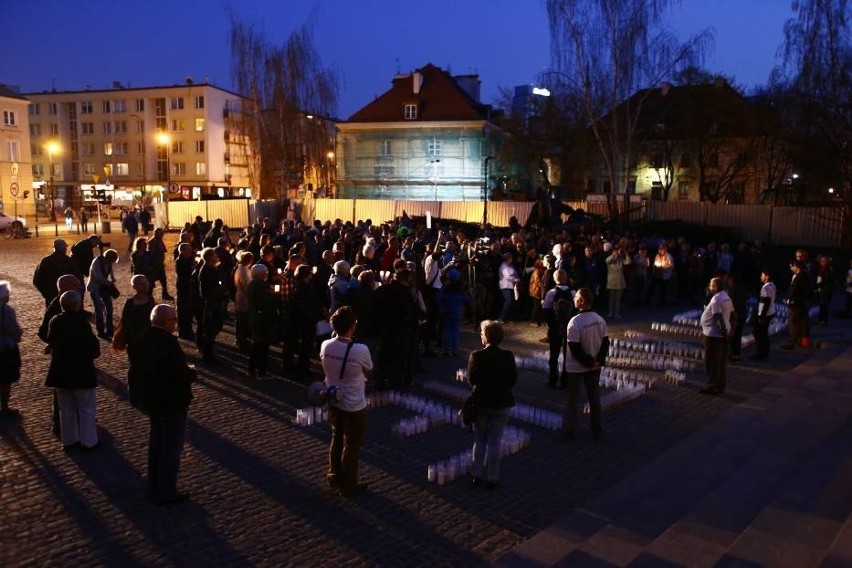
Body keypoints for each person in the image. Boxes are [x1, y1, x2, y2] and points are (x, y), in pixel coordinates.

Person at [131, 304, 196, 505]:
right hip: (171, 401)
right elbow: (177, 374)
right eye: (173, 320)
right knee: (171, 448)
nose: (175, 323)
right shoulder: (167, 343)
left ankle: (154, 486)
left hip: (152, 400)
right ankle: (167, 491)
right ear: (164, 322)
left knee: (156, 445)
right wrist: (191, 374)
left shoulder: (142, 339)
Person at [321, 306, 373, 498]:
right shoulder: (361, 350)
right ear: (352, 327)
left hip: (334, 401)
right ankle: (348, 484)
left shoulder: (325, 345)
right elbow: (369, 370)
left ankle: (334, 475)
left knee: (336, 438)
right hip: (354, 405)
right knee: (351, 446)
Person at [45, 290, 101, 449]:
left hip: (61, 370)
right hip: (81, 370)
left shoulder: (55, 320)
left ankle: (69, 440)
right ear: (77, 305)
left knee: (65, 407)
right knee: (86, 407)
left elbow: (50, 339)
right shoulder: (81, 323)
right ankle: (89, 441)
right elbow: (93, 348)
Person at [466, 319, 517, 489]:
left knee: (479, 439)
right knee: (495, 441)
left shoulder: (476, 356)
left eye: (481, 333)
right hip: (501, 403)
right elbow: (513, 380)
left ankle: (476, 474)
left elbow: (471, 379)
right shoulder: (508, 356)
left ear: (485, 338)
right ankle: (493, 477)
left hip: (481, 403)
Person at [38, 274, 85, 435]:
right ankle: (59, 423)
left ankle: (74, 420)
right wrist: (55, 344)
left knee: (72, 390)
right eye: (76, 285)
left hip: (73, 357)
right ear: (65, 287)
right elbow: (43, 331)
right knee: (63, 392)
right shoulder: (58, 305)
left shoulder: (72, 303)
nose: (80, 287)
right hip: (65, 358)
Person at [562, 287, 609, 442]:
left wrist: (588, 362)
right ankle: (598, 430)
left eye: (576, 297)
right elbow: (605, 343)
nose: (574, 299)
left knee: (574, 401)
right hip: (594, 366)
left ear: (581, 301)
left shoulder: (575, 322)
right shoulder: (600, 319)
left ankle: (570, 433)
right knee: (594, 398)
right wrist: (598, 361)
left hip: (576, 367)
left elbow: (574, 348)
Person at [114, 275, 155, 407]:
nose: (145, 286)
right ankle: (135, 395)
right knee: (136, 368)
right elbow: (127, 323)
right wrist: (135, 338)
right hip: (135, 341)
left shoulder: (150, 299)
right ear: (135, 287)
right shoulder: (130, 303)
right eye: (142, 284)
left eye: (146, 283)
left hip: (149, 339)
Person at [699, 277, 734, 395]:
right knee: (721, 361)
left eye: (710, 285)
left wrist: (724, 333)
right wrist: (730, 331)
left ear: (715, 286)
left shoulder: (716, 299)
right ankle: (720, 385)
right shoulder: (726, 297)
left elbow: (717, 317)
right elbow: (733, 314)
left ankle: (712, 385)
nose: (709, 287)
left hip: (713, 335)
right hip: (721, 334)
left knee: (711, 361)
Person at [542, 269, 574, 389]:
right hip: (569, 329)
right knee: (568, 356)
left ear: (555, 279)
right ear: (565, 278)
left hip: (555, 328)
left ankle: (552, 380)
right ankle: (565, 381)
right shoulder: (573, 292)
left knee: (554, 355)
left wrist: (553, 325)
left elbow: (546, 310)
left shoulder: (551, 292)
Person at [247, 264, 277, 379]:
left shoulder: (251, 285)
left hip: (255, 318)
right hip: (263, 319)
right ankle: (261, 371)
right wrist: (274, 296)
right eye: (265, 273)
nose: (267, 275)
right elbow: (266, 303)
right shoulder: (261, 287)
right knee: (262, 346)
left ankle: (252, 369)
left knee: (257, 345)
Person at [33, 239, 82, 307]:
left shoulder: (45, 261)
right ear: (64, 248)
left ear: (54, 248)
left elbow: (37, 280)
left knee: (52, 314)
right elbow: (78, 278)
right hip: (68, 296)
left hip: (50, 295)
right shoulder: (69, 261)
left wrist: (46, 293)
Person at [0, 281, 23, 416]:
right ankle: (4, 407)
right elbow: (12, 329)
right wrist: (18, 335)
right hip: (4, 347)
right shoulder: (6, 310)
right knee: (5, 379)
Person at [87, 249, 120, 340]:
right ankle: (101, 332)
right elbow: (98, 277)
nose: (111, 263)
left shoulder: (108, 262)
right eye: (111, 261)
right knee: (99, 309)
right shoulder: (97, 262)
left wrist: (112, 278)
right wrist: (110, 284)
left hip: (104, 287)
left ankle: (109, 330)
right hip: (95, 287)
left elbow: (110, 270)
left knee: (109, 308)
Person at [781, 260, 811, 350]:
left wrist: (787, 298)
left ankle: (792, 342)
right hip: (801, 302)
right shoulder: (804, 276)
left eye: (792, 266)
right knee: (800, 322)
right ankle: (799, 340)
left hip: (795, 302)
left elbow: (793, 289)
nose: (791, 268)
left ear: (797, 267)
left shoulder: (798, 277)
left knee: (793, 323)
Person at [751, 269, 776, 360]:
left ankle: (761, 352)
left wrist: (761, 316)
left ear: (767, 276)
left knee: (759, 333)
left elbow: (765, 302)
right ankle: (764, 352)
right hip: (770, 312)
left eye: (762, 275)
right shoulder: (772, 286)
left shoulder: (766, 288)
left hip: (765, 314)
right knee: (763, 333)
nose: (761, 277)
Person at [233, 251, 254, 353]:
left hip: (240, 296)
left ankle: (240, 339)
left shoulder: (240, 269)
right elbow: (247, 286)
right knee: (242, 320)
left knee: (240, 319)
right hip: (243, 297)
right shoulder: (244, 271)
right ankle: (242, 341)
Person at [726, 272, 748, 362]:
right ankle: (737, 354)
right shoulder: (743, 288)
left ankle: (732, 354)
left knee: (732, 335)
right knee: (738, 335)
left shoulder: (732, 289)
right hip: (742, 313)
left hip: (734, 315)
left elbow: (731, 303)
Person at [147, 228, 174, 301]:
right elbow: (150, 254)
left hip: (160, 265)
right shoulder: (153, 241)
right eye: (161, 233)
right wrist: (151, 265)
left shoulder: (159, 240)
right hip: (155, 265)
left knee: (163, 280)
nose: (162, 235)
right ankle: (149, 297)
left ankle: (164, 294)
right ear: (156, 233)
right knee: (151, 282)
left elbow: (163, 250)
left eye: (162, 233)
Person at [605, 244, 630, 318]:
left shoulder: (621, 259)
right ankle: (610, 312)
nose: (617, 253)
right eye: (614, 252)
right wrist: (613, 255)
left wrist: (626, 253)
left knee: (618, 299)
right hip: (612, 281)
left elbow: (628, 262)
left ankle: (616, 313)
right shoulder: (610, 260)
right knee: (611, 298)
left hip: (620, 281)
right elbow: (607, 260)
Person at [498, 252, 519, 321]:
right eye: (511, 258)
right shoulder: (504, 266)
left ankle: (508, 317)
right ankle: (502, 317)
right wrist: (516, 279)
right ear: (508, 259)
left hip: (511, 286)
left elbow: (514, 273)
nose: (512, 259)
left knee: (510, 302)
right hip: (505, 286)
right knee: (508, 301)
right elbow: (508, 276)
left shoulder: (510, 265)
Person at [815, 255, 835, 326]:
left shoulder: (828, 269)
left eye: (823, 261)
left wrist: (819, 285)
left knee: (824, 305)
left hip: (825, 290)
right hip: (822, 289)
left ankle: (824, 320)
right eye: (821, 261)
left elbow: (827, 280)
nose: (821, 262)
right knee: (822, 304)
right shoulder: (821, 269)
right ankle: (821, 319)